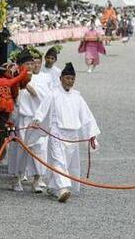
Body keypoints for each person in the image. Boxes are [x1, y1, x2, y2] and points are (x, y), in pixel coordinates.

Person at [31, 62, 100, 203]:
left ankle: (52, 187)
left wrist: (91, 134)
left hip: (73, 134)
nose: (70, 81)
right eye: (68, 78)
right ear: (61, 78)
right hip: (57, 132)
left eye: (72, 79)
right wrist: (38, 118)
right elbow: (43, 107)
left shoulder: (77, 96)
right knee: (58, 161)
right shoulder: (54, 93)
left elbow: (86, 116)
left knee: (68, 163)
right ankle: (62, 188)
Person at [9, 49, 52, 193]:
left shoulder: (39, 79)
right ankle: (17, 177)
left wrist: (24, 83)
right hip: (22, 118)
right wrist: (16, 79)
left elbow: (41, 97)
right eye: (26, 63)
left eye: (31, 63)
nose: (29, 66)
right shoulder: (14, 78)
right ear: (20, 65)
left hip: (36, 119)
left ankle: (36, 179)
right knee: (20, 150)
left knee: (38, 148)